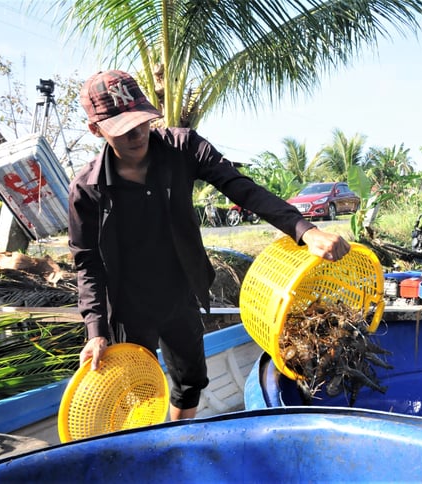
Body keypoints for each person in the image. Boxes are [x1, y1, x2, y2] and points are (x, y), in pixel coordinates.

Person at [69, 69, 351, 421]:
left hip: (180, 289)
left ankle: (177, 440)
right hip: (127, 303)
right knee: (136, 393)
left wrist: (305, 231)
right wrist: (95, 331)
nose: (135, 132)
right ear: (97, 130)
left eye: (139, 121)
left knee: (190, 382)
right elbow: (88, 263)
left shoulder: (182, 147)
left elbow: (242, 188)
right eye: (120, 127)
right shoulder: (87, 189)